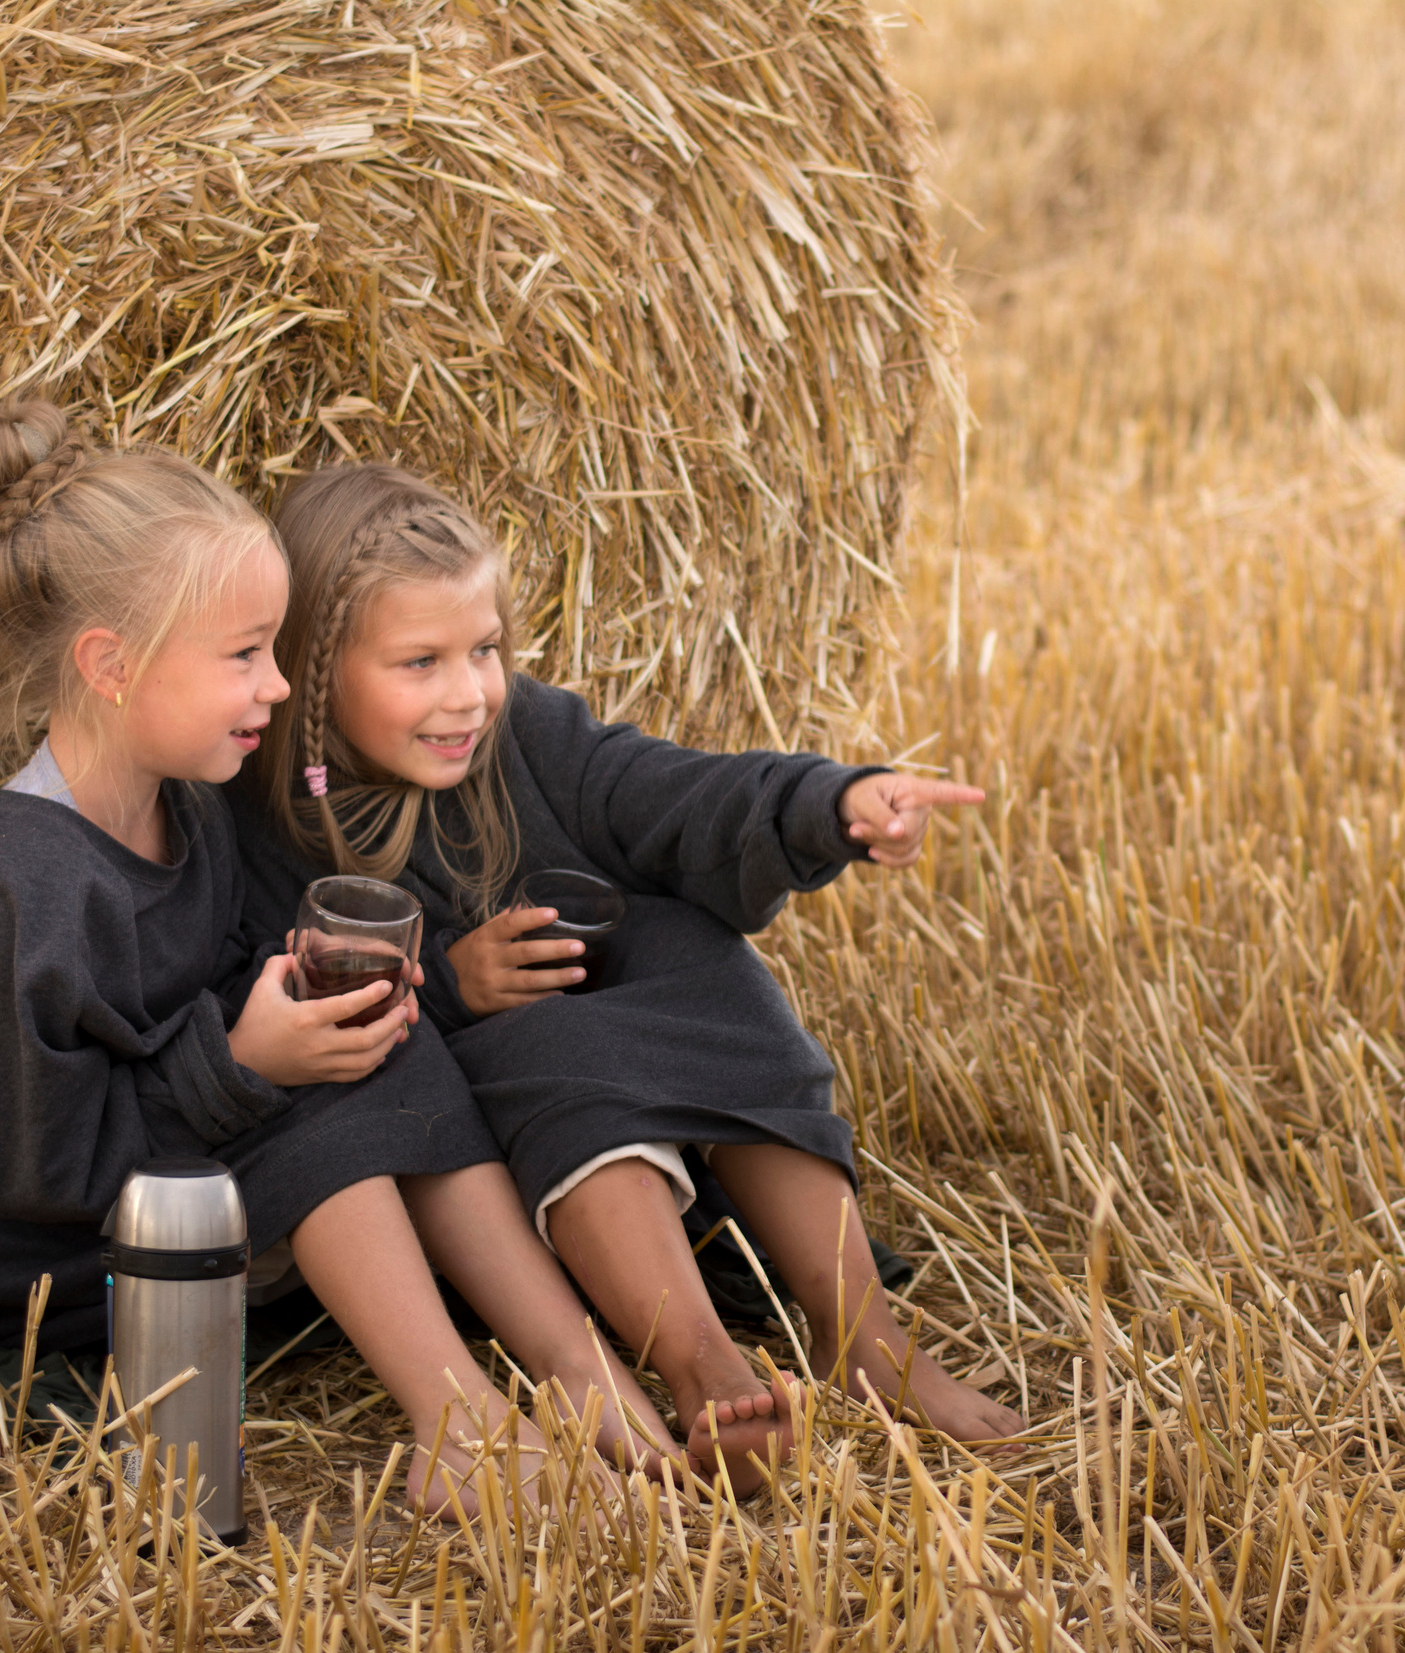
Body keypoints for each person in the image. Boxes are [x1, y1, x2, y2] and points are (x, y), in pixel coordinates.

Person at [0, 400, 680, 1518]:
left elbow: (202, 992)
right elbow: (39, 1166)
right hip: (13, 1264)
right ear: (111, 666)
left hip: (151, 1185)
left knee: (379, 1043)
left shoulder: (187, 808)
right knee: (308, 1109)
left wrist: (293, 1003)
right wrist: (246, 1064)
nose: (279, 684)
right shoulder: (10, 885)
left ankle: (576, 1365)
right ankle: (459, 1424)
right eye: (245, 656)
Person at [230, 461, 1028, 1488]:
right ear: (313, 667)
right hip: (492, 1147)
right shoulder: (266, 820)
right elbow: (304, 1026)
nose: (468, 693)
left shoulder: (526, 734)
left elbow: (668, 790)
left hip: (632, 1094)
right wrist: (453, 984)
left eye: (484, 650)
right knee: (565, 1057)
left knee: (700, 956)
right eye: (419, 662)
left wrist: (829, 803)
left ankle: (866, 1335)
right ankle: (701, 1364)